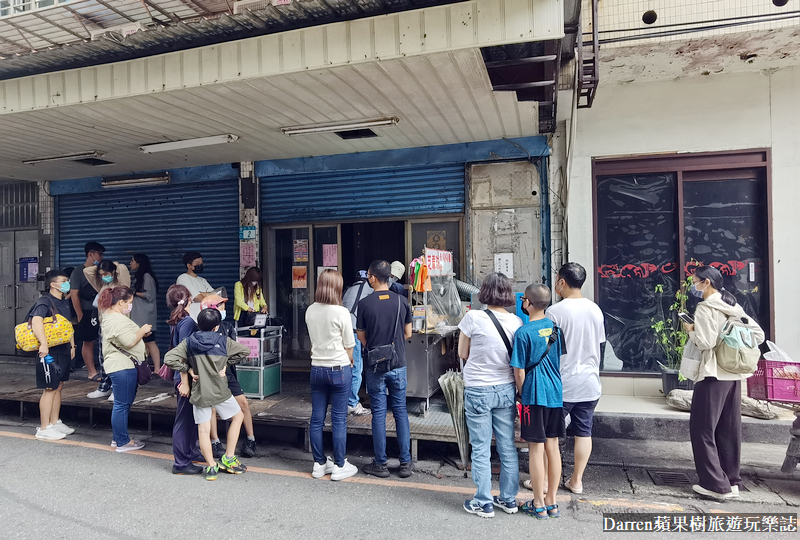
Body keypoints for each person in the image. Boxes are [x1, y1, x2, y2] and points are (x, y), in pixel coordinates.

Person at [684, 266, 764, 501]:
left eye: (694, 281)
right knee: (728, 430)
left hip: (712, 375)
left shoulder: (705, 307)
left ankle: (715, 485)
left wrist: (691, 329)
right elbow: (758, 335)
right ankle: (731, 480)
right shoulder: (732, 305)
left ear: (706, 283)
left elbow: (705, 342)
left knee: (702, 429)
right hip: (734, 376)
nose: (693, 286)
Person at [458, 272, 522, 518]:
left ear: (484, 292)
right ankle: (508, 499)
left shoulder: (473, 317)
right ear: (507, 293)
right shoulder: (517, 322)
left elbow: (463, 353)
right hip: (506, 388)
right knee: (507, 446)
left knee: (481, 447)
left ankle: (483, 501)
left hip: (478, 389)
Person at [164, 308, 250, 481]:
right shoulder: (223, 340)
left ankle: (211, 467)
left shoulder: (190, 341)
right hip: (220, 391)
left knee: (203, 431)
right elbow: (245, 352)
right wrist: (225, 364)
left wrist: (187, 369)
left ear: (199, 324)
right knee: (238, 417)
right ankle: (228, 456)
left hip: (200, 392)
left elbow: (169, 358)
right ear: (216, 326)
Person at [545, 262, 605, 495]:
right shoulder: (595, 309)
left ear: (561, 282)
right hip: (590, 382)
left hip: (563, 383)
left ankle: (546, 481)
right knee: (583, 432)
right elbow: (599, 343)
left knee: (550, 436)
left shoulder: (555, 312)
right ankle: (576, 481)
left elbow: (547, 349)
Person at [511, 284, 566, 519]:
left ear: (528, 303)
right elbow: (557, 360)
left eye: (524, 299)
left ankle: (538, 503)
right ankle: (552, 503)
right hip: (555, 393)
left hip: (534, 395)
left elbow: (519, 372)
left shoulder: (524, 333)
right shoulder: (555, 329)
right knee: (553, 448)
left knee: (535, 449)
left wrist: (522, 393)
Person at [357, 260, 413, 479]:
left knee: (379, 413)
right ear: (389, 277)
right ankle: (406, 463)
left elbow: (361, 337)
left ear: (372, 277)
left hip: (375, 365)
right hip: (398, 364)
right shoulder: (402, 301)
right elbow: (408, 334)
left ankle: (380, 464)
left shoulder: (365, 303)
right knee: (400, 411)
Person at [305, 269, 359, 481]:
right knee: (338, 419)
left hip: (316, 368)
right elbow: (349, 345)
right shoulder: (341, 312)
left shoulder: (310, 310)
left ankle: (319, 464)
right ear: (337, 287)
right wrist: (351, 361)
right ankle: (339, 464)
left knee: (316, 418)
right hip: (339, 369)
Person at [201, 295, 257, 459]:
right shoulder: (199, 331)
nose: (224, 309)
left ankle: (251, 439)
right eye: (221, 306)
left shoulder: (227, 327)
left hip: (228, 374)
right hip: (209, 376)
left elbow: (234, 349)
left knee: (243, 404)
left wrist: (225, 365)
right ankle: (215, 441)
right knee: (211, 409)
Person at [98, 286, 150, 453]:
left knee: (122, 404)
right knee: (121, 405)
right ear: (120, 302)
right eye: (129, 302)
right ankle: (122, 442)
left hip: (120, 366)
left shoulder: (109, 316)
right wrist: (142, 330)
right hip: (123, 367)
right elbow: (129, 342)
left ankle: (118, 438)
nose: (130, 306)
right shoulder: (117, 320)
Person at [30, 270, 76, 440]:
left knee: (58, 386)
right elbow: (36, 321)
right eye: (64, 281)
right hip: (49, 352)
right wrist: (43, 343)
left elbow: (67, 326)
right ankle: (44, 427)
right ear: (53, 284)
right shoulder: (45, 301)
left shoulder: (63, 302)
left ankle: (55, 422)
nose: (67, 283)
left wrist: (72, 345)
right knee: (49, 388)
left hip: (63, 349)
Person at [166, 284, 202, 474]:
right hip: (184, 378)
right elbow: (182, 354)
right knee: (183, 419)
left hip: (183, 376)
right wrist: (185, 382)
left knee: (189, 418)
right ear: (188, 299)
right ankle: (180, 462)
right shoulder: (187, 322)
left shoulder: (180, 319)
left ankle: (191, 451)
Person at [85, 260, 131, 400]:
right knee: (104, 357)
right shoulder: (102, 285)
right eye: (101, 274)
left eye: (106, 273)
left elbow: (122, 268)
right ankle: (104, 386)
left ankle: (116, 389)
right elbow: (86, 271)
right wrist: (100, 267)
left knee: (118, 357)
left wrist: (115, 265)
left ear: (113, 272)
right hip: (104, 325)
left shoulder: (121, 285)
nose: (104, 276)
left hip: (119, 325)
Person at [69, 241, 104, 380]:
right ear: (91, 254)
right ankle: (92, 372)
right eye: (99, 254)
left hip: (100, 311)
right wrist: (80, 314)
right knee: (88, 341)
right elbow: (74, 294)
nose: (101, 257)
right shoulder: (78, 272)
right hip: (87, 311)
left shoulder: (100, 270)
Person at [341, 270, 373, 416]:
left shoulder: (348, 290)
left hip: (342, 332)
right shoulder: (368, 289)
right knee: (356, 370)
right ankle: (352, 403)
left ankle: (343, 401)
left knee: (345, 368)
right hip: (353, 334)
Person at [130, 254, 161, 373]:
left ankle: (157, 368)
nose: (130, 263)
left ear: (138, 263)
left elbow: (150, 295)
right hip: (138, 314)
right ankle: (145, 367)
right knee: (142, 342)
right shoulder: (139, 276)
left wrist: (135, 293)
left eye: (132, 261)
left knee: (150, 341)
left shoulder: (147, 277)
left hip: (145, 315)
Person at [176, 251, 214, 321]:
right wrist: (205, 295)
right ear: (189, 265)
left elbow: (215, 296)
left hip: (205, 320)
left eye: (201, 263)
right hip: (190, 319)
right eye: (197, 263)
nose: (200, 265)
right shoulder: (183, 278)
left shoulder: (202, 280)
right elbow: (197, 298)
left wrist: (201, 293)